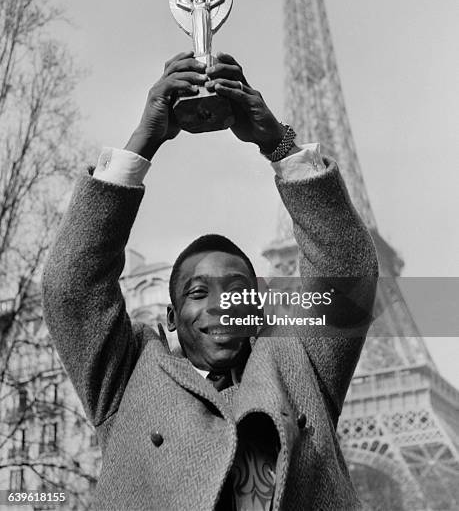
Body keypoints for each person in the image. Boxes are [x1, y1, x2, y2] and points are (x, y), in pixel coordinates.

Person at [42, 51, 378, 511]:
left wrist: (277, 143)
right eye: (197, 293)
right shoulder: (128, 377)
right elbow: (70, 285)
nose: (221, 304)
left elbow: (347, 267)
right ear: (171, 317)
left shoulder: (302, 363)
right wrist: (145, 140)